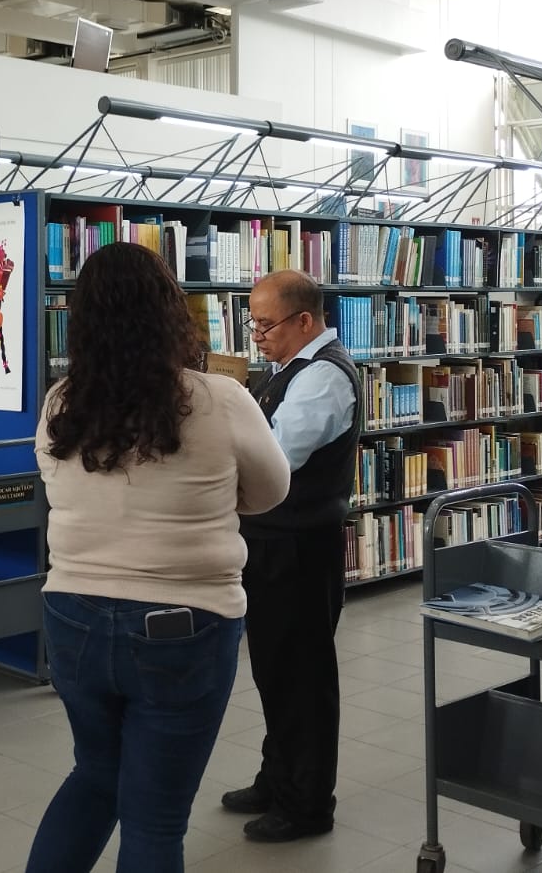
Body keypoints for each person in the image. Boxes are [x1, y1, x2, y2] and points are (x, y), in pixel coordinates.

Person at [26, 242, 291, 873]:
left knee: (94, 775)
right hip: (184, 623)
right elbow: (272, 491)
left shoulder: (61, 403)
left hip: (73, 616)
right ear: (171, 311)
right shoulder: (220, 400)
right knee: (155, 819)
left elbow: (59, 488)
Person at [222, 268, 361, 843]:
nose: (257, 335)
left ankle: (306, 805)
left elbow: (274, 459)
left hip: (299, 547)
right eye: (252, 323)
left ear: (305, 321)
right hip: (274, 542)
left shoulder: (324, 378)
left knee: (301, 674)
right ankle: (277, 778)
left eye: (265, 325)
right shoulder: (288, 368)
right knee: (275, 668)